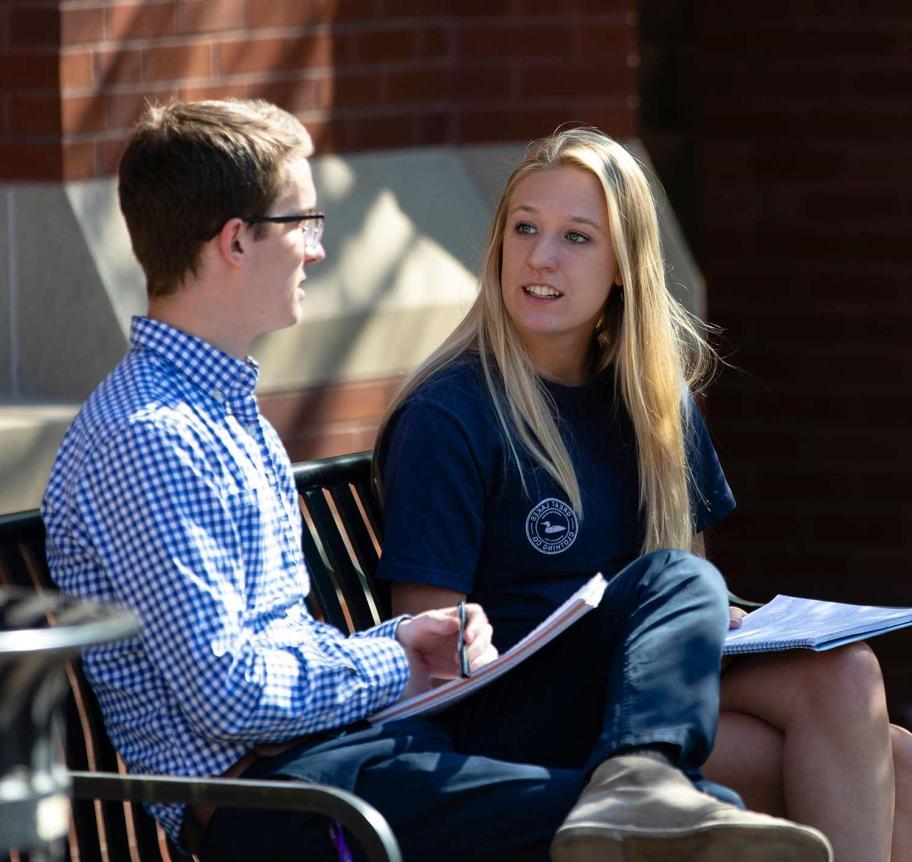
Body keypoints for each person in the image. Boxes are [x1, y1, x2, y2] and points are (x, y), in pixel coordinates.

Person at [40, 100, 831, 862]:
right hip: (283, 798)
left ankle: (643, 778)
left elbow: (267, 652)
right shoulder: (149, 438)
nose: (318, 247)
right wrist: (397, 659)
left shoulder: (219, 412)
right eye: (302, 222)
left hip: (354, 754)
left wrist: (398, 644)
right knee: (702, 827)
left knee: (677, 588)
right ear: (236, 242)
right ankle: (644, 792)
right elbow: (231, 698)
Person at [374, 126, 908, 862]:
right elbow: (429, 654)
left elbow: (693, 596)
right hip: (514, 726)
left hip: (648, 697)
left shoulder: (654, 401)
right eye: (524, 229)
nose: (540, 257)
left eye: (576, 237)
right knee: (861, 751)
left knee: (862, 694)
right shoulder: (451, 413)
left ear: (626, 266)